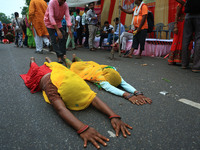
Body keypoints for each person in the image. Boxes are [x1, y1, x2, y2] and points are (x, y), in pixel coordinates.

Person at [20, 57, 132, 149]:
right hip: (43, 75)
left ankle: (48, 60)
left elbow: (93, 98)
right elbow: (60, 109)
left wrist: (113, 116)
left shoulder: (78, 82)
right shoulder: (51, 88)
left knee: (54, 64)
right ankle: (32, 60)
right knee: (34, 67)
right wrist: (82, 128)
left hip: (59, 70)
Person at [64, 54, 152, 105]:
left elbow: (124, 83)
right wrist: (126, 94)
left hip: (93, 65)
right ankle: (65, 58)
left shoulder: (113, 71)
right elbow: (110, 88)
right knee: (73, 66)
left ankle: (75, 57)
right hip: (88, 70)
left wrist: (136, 92)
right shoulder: (100, 78)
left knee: (85, 63)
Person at [177, 0, 200, 72]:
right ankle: (196, 66)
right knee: (198, 39)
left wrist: (186, 4)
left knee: (186, 39)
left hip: (188, 15)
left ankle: (184, 64)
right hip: (199, 15)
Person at [168, 0, 192, 65]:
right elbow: (177, 15)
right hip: (181, 25)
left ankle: (184, 60)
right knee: (178, 41)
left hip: (189, 25)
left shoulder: (192, 3)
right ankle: (173, 59)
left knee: (186, 42)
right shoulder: (182, 2)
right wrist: (175, 26)